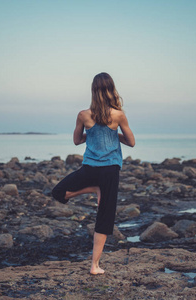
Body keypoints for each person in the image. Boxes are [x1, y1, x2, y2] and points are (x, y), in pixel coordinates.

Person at [52, 72, 135, 275]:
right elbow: (131, 142)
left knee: (58, 192)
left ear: (93, 90)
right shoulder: (118, 115)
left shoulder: (83, 115)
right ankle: (94, 266)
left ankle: (92, 188)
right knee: (104, 217)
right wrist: (113, 133)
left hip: (90, 167)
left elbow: (77, 140)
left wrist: (94, 132)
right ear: (111, 90)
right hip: (110, 170)